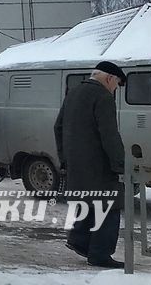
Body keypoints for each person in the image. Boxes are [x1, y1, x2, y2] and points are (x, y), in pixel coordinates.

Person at [54, 61, 127, 270]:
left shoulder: (74, 92)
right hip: (100, 166)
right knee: (110, 207)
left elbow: (57, 127)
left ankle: (79, 240)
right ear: (109, 78)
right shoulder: (103, 96)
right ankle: (100, 254)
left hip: (77, 165)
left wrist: (65, 158)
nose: (115, 89)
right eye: (117, 84)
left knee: (88, 203)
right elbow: (110, 135)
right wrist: (121, 164)